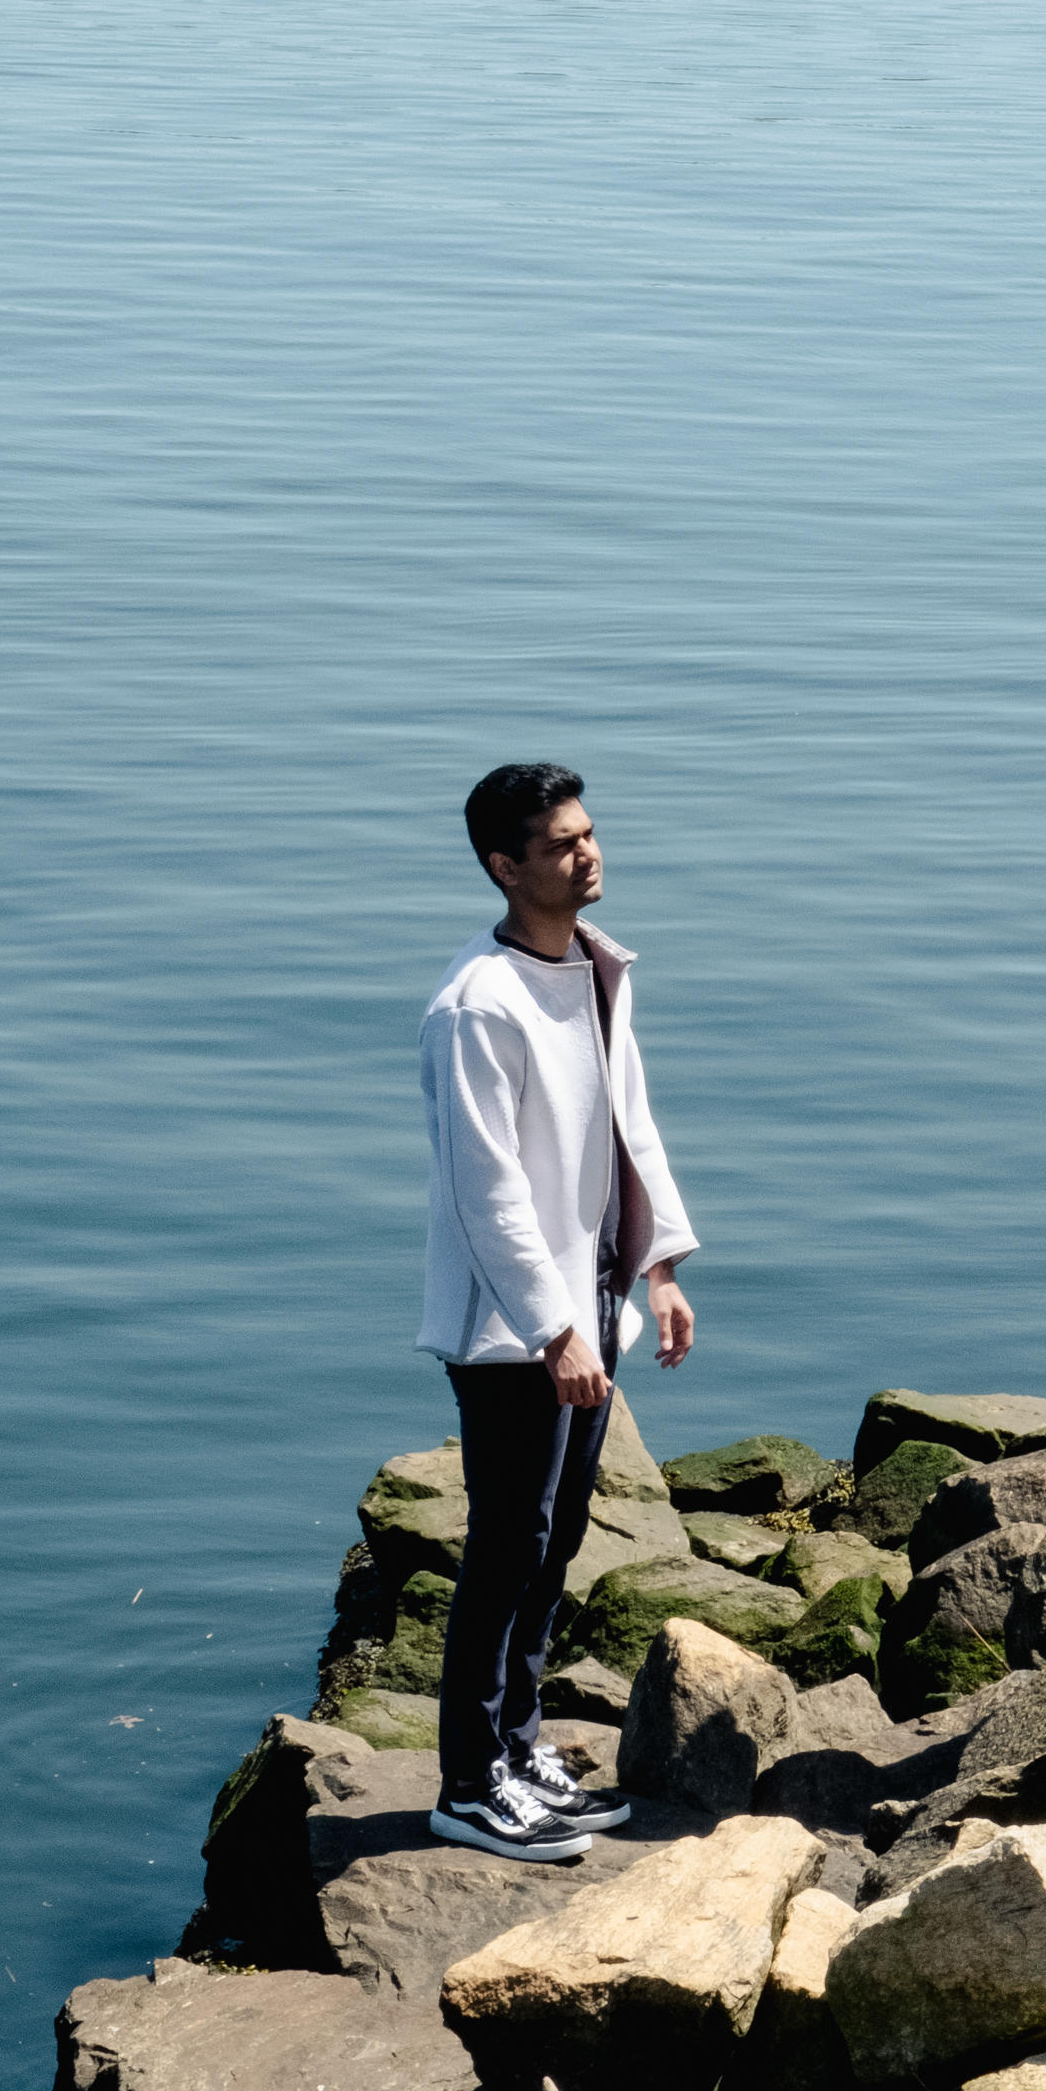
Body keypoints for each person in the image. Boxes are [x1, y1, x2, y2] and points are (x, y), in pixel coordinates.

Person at [417, 762, 699, 1859]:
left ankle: (520, 1744)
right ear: (505, 865)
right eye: (563, 843)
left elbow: (629, 1119)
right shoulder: (472, 1008)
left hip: (591, 1300)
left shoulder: (591, 965)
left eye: (589, 834)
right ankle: (466, 1780)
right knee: (507, 1542)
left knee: (560, 1531)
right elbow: (485, 1192)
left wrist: (658, 1264)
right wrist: (551, 1328)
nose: (589, 854)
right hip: (512, 1328)